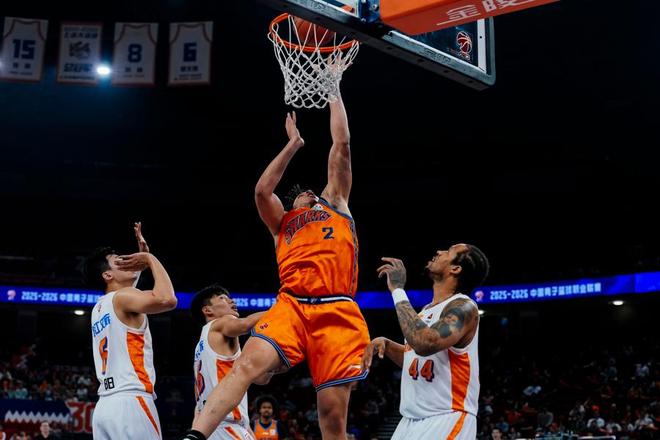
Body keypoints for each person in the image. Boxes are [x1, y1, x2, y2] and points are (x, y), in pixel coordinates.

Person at [182, 85, 369, 440]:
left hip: (337, 309)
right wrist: (293, 144)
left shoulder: (336, 204)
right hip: (292, 305)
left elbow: (342, 144)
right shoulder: (281, 223)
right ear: (292, 202)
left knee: (332, 419)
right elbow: (261, 191)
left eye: (314, 192)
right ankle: (195, 436)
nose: (311, 193)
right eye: (303, 194)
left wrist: (333, 90)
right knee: (245, 366)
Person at [362, 244, 489, 440]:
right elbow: (418, 360)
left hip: (447, 417)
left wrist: (398, 290)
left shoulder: (465, 307)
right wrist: (389, 346)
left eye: (448, 251)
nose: (439, 251)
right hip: (409, 420)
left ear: (456, 269)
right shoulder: (426, 311)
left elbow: (425, 343)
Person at [84, 223, 177, 439]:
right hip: (131, 401)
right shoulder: (122, 298)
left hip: (105, 407)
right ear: (108, 275)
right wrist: (151, 259)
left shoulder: (99, 307)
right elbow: (167, 299)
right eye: (120, 261)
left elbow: (129, 294)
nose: (127, 262)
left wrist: (141, 264)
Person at [191, 284, 268, 440]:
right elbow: (245, 324)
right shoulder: (219, 323)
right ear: (208, 310)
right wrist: (282, 309)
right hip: (226, 424)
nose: (232, 301)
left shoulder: (201, 346)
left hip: (211, 426)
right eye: (223, 298)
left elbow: (261, 379)